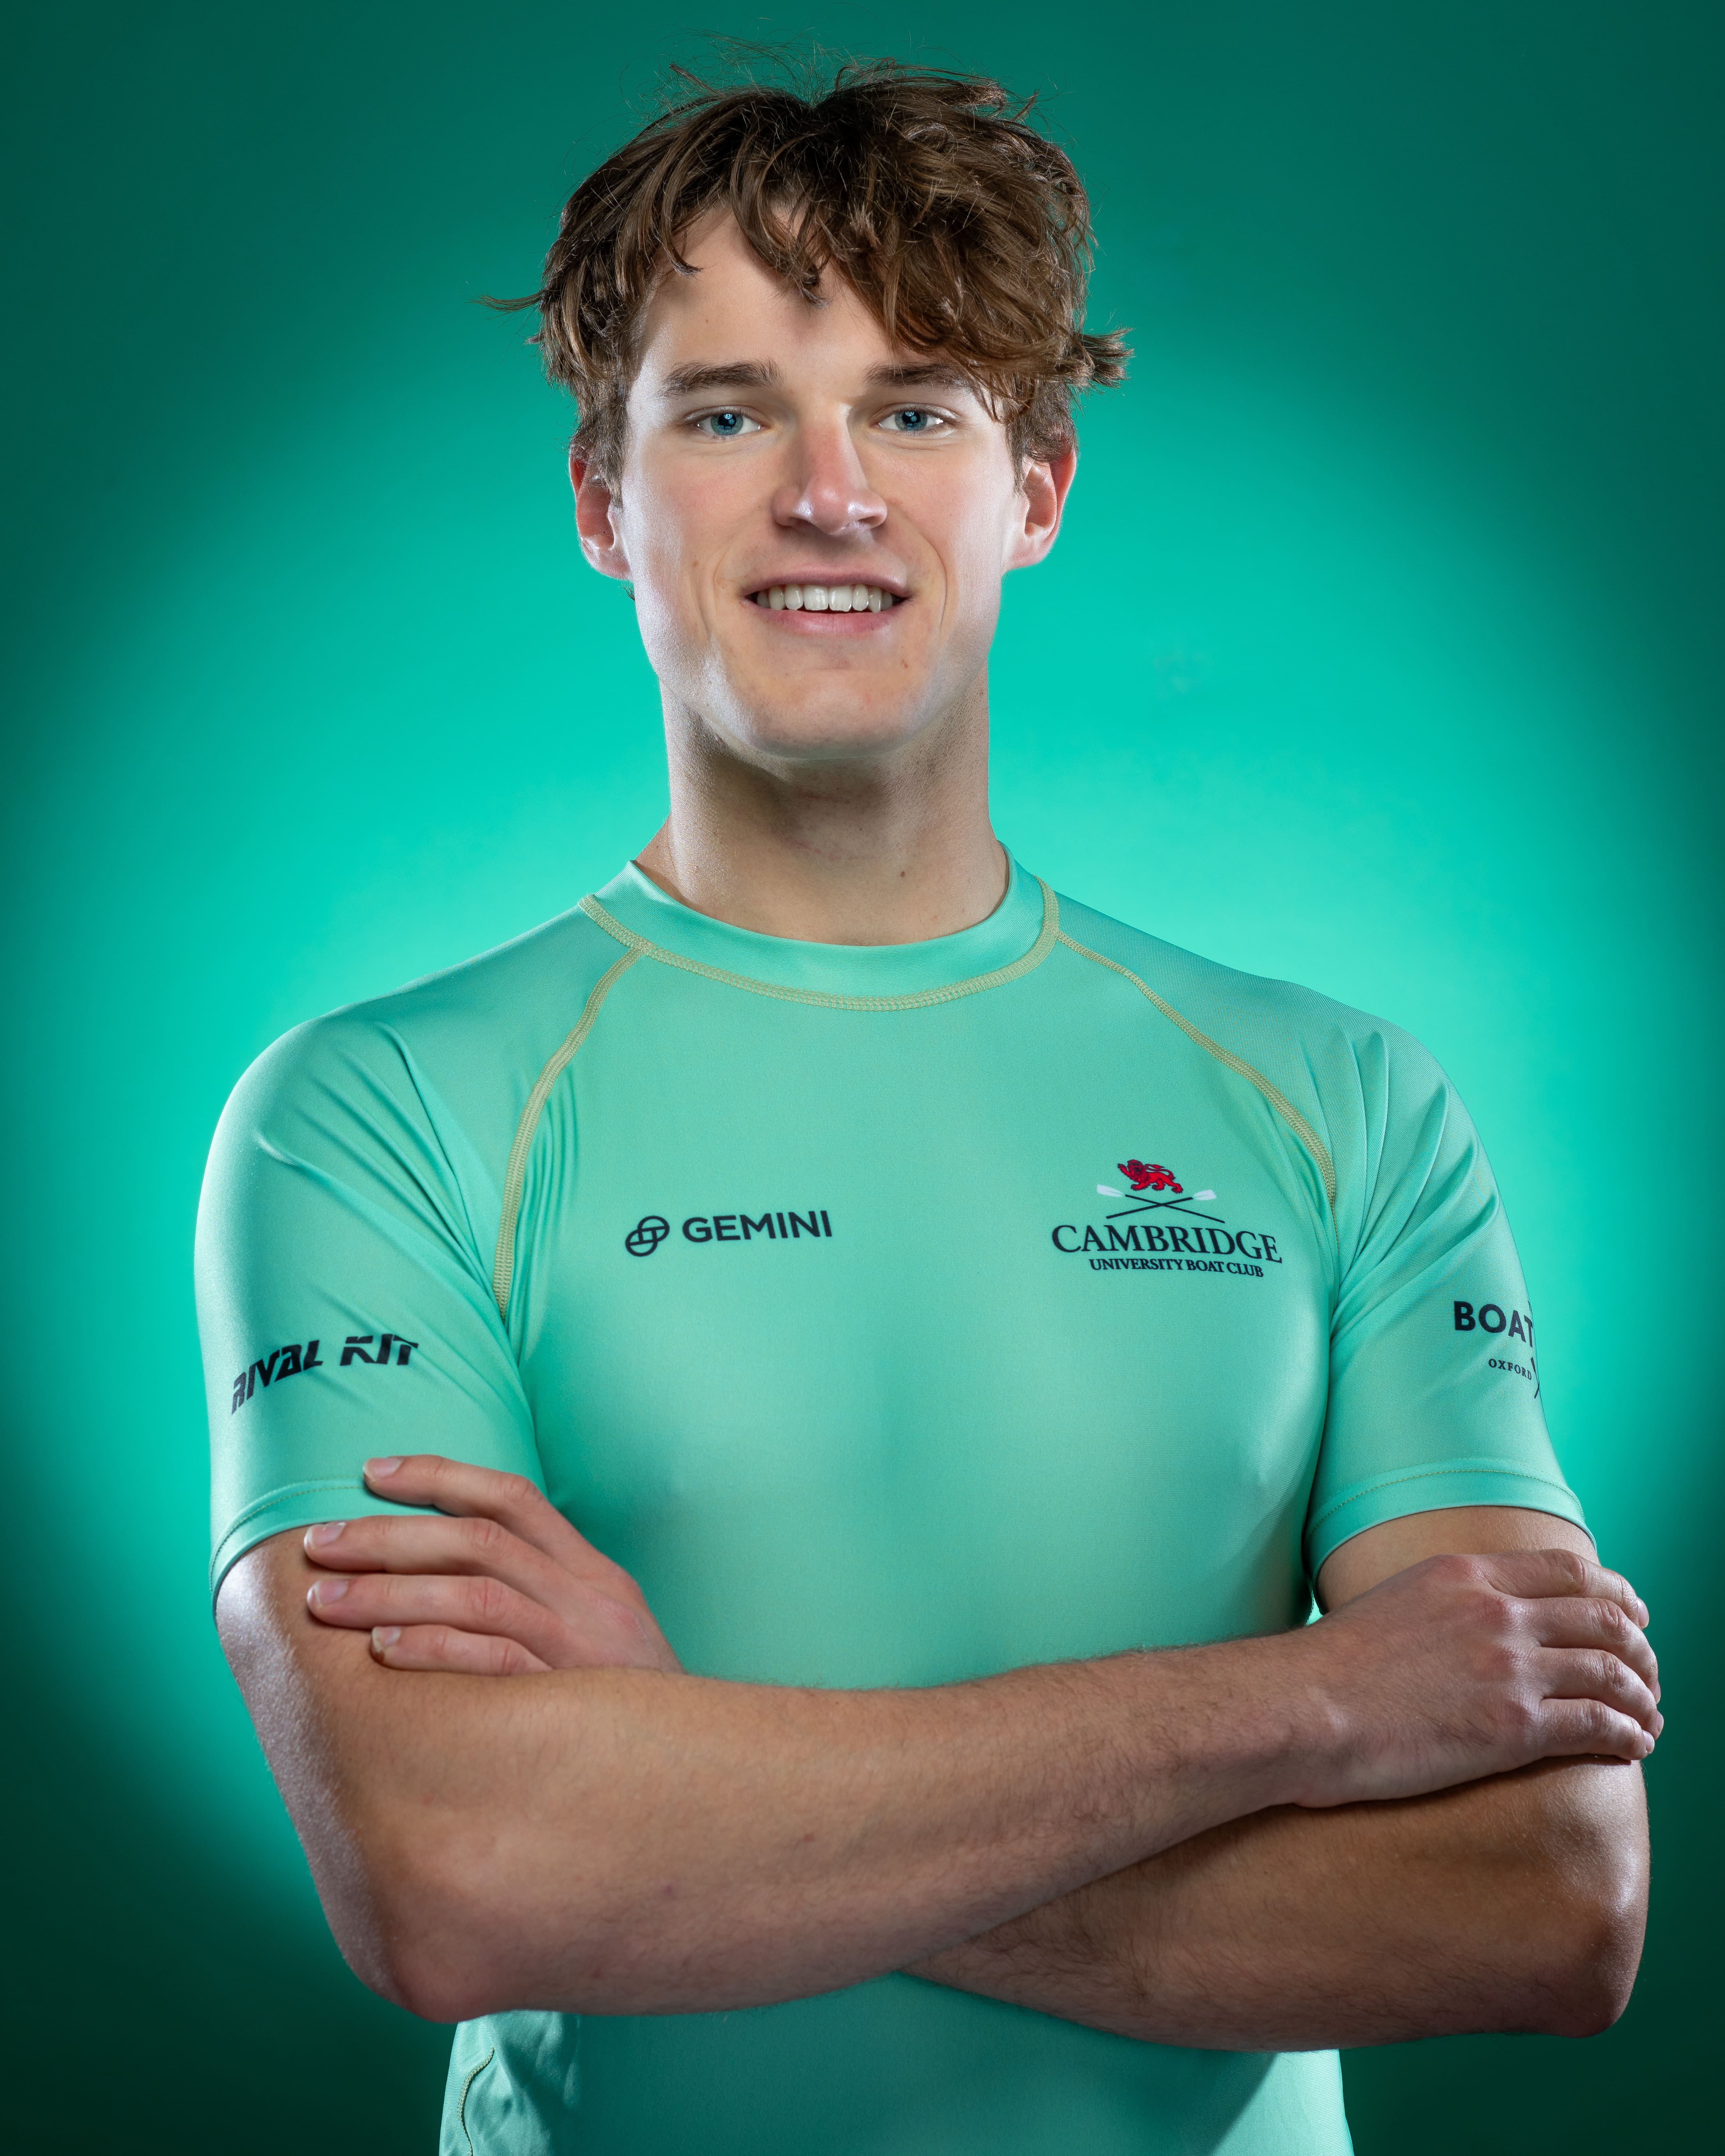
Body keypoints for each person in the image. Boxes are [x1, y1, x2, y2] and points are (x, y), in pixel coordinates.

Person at [199, 63, 1656, 2156]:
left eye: (915, 410)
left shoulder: (1343, 1100)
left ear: (1035, 486)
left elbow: (1550, 1904)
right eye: (728, 416)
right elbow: (459, 1880)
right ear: (604, 501)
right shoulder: (375, 1115)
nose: (830, 494)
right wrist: (1317, 1704)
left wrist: (686, 1784)